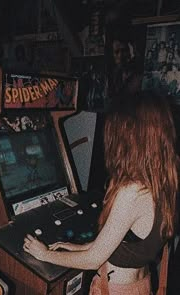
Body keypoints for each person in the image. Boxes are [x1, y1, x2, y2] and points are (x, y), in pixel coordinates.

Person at [23, 91, 179, 294]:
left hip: (115, 289)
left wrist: (44, 254)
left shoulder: (132, 191)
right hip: (141, 284)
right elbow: (129, 243)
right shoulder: (165, 179)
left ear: (128, 136)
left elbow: (93, 260)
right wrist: (78, 247)